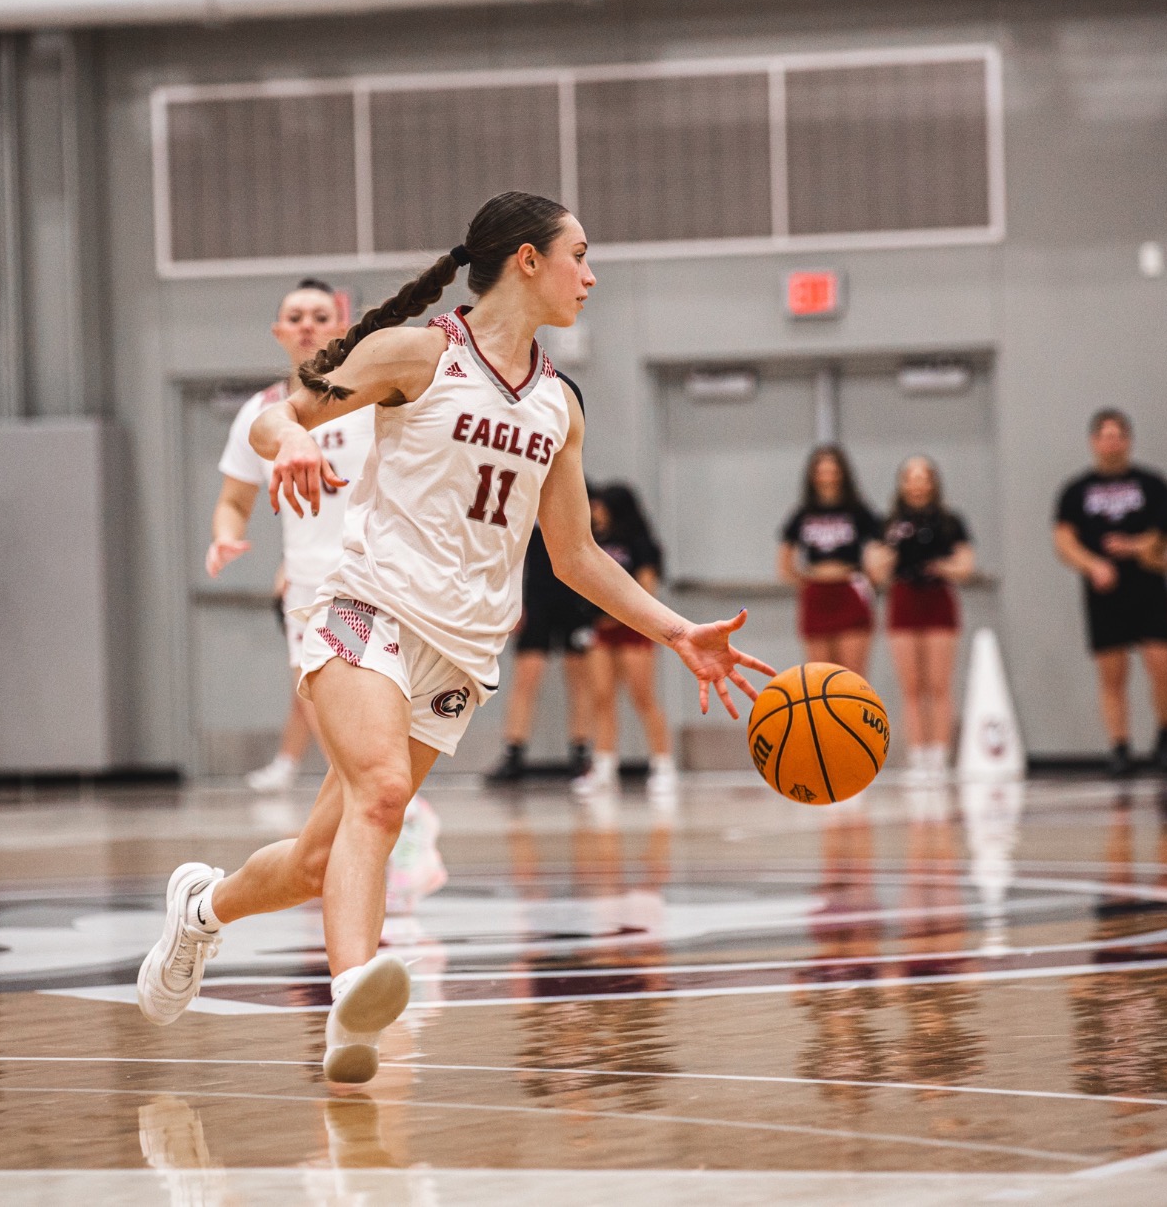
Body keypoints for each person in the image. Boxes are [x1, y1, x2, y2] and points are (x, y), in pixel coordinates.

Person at [132, 191, 772, 1084]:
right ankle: (352, 1004)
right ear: (527, 260)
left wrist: (677, 633)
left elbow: (576, 556)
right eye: (580, 255)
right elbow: (279, 414)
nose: (591, 276)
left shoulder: (560, 404)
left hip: (462, 650)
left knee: (319, 859)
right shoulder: (421, 352)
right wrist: (290, 445)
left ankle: (201, 909)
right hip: (366, 604)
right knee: (384, 795)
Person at [208, 279, 371, 794]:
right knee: (321, 705)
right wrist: (225, 538)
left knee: (370, 710)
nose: (307, 326)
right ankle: (373, 804)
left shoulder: (372, 394)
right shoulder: (259, 413)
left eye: (319, 317)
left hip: (375, 576)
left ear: (341, 326)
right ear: (278, 331)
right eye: (295, 317)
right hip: (307, 584)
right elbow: (234, 502)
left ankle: (382, 802)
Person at [1053, 409, 1167, 778]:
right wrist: (1092, 564)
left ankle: (1165, 738)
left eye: (1118, 436)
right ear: (1094, 442)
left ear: (1128, 441)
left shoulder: (1152, 484)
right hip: (1104, 592)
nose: (1112, 443)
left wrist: (1136, 546)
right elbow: (1063, 540)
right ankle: (1120, 746)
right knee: (1112, 674)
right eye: (1105, 436)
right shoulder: (1076, 490)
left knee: (1163, 666)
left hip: (1150, 587)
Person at [869, 456, 974, 779]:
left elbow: (965, 566)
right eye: (911, 478)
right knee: (911, 687)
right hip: (903, 599)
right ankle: (917, 756)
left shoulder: (949, 521)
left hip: (937, 597)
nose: (917, 485)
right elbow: (875, 570)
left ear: (933, 483)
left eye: (923, 477)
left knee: (939, 684)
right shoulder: (888, 524)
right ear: (902, 484)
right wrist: (891, 551)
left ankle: (939, 756)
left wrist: (941, 566)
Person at [575, 482, 676, 798]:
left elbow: (647, 588)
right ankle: (603, 768)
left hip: (634, 628)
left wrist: (622, 615)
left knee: (643, 697)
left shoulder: (641, 544)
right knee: (601, 697)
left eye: (601, 506)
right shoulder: (594, 542)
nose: (595, 512)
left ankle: (663, 765)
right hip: (601, 629)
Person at [484, 526, 598, 784]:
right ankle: (513, 753)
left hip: (575, 600)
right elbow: (511, 559)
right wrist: (513, 604)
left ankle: (581, 753)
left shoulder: (580, 507)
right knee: (526, 678)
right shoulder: (526, 511)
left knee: (580, 681)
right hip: (536, 600)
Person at [777, 444, 882, 675]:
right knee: (819, 676)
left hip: (849, 591)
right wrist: (806, 580)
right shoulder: (803, 513)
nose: (828, 477)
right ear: (812, 476)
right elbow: (784, 562)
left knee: (851, 677)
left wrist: (872, 574)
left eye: (833, 471)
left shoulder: (858, 511)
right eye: (822, 471)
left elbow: (881, 544)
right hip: (817, 594)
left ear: (843, 474)